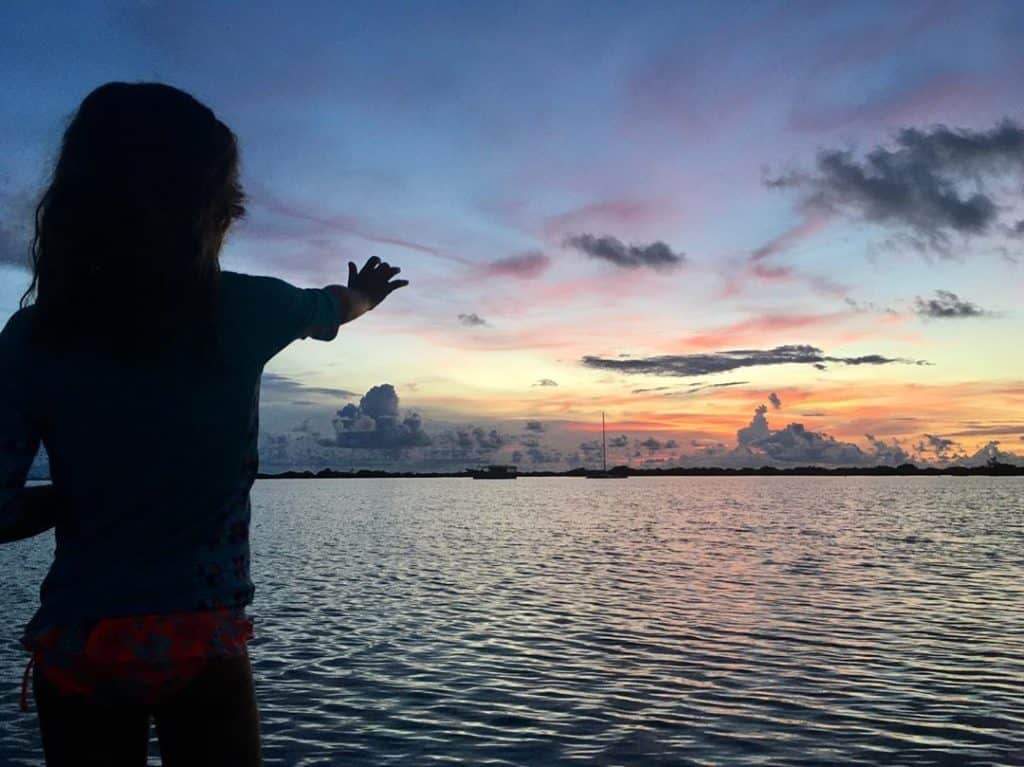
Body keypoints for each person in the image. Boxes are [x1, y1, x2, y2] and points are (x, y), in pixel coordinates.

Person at [0, 81, 408, 766]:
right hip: (200, 637)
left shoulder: (35, 337)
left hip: (83, 640)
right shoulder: (245, 310)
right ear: (215, 208)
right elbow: (334, 305)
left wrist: (73, 501)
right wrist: (366, 293)